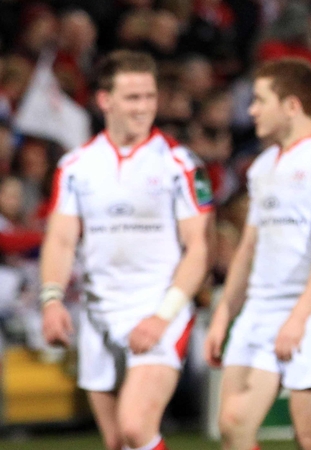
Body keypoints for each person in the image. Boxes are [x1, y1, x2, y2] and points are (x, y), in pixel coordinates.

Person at [40, 50, 213, 450]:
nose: (144, 107)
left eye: (150, 97)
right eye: (133, 97)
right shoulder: (76, 165)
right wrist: (51, 300)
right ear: (105, 101)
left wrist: (162, 315)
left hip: (157, 307)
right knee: (118, 441)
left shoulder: (179, 163)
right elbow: (61, 239)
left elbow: (199, 247)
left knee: (137, 427)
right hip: (99, 314)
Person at [203, 59, 311, 450]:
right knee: (233, 425)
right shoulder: (262, 166)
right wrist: (224, 312)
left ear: (292, 106)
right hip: (260, 310)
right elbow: (248, 247)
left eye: (261, 100)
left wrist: (299, 317)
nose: (251, 110)